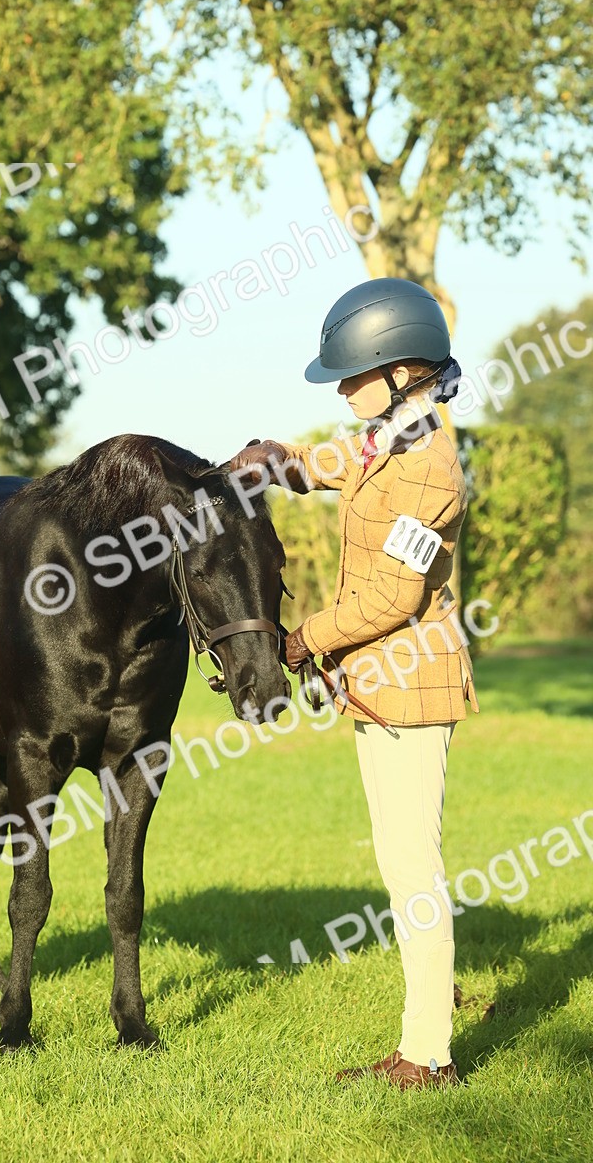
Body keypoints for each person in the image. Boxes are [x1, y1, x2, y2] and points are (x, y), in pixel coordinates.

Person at [229, 277, 480, 1090]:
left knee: (413, 869)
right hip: (378, 686)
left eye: (348, 372)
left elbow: (393, 598)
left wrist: (300, 640)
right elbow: (334, 466)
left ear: (399, 366)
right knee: (402, 861)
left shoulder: (430, 469)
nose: (339, 386)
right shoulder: (391, 441)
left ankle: (429, 1055)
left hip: (412, 686)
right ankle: (427, 1032)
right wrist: (278, 461)